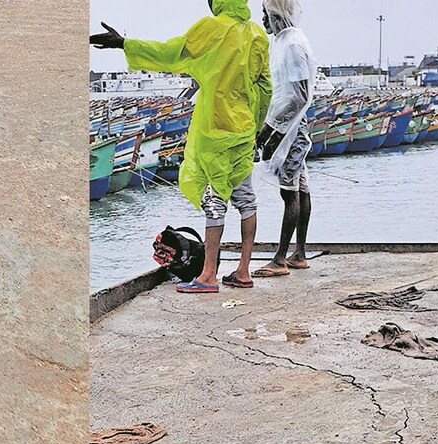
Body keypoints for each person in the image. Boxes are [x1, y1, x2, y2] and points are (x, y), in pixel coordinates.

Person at [91, 0, 271, 293]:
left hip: (215, 127)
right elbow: (265, 86)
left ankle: (209, 276)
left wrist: (125, 44)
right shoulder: (257, 34)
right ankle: (243, 271)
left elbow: (171, 52)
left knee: (213, 200)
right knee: (245, 198)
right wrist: (257, 127)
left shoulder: (211, 28)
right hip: (244, 127)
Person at [252, 0, 314, 277]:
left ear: (276, 15)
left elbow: (298, 96)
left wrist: (270, 132)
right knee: (299, 187)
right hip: (291, 127)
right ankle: (298, 252)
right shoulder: (285, 41)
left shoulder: (291, 45)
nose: (262, 19)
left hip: (291, 130)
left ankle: (280, 259)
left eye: (265, 14)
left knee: (289, 191)